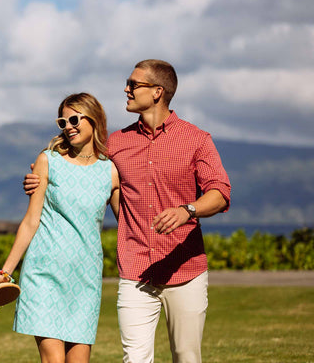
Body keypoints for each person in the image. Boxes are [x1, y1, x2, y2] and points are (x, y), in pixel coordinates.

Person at [24, 60, 231, 363]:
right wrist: (40, 175)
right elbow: (82, 164)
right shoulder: (116, 143)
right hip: (136, 271)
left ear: (157, 91)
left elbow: (221, 192)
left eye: (134, 84)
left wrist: (188, 210)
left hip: (185, 270)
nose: (126, 89)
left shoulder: (196, 139)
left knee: (186, 356)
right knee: (135, 358)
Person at [0, 92, 120, 363]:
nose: (69, 127)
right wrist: (5, 272)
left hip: (85, 277)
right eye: (62, 122)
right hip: (44, 273)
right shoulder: (47, 160)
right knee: (53, 360)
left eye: (75, 119)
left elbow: (127, 224)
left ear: (95, 120)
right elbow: (31, 221)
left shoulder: (110, 171)